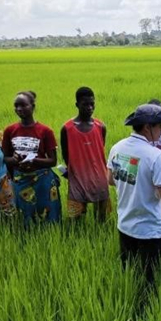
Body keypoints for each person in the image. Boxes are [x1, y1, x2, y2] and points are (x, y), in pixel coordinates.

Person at [108, 103, 161, 281]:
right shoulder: (154, 155)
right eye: (160, 126)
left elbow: (110, 180)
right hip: (150, 230)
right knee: (149, 279)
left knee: (129, 275)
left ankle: (129, 303)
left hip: (125, 225)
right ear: (147, 127)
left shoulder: (117, 148)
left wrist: (135, 183)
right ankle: (149, 308)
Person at [2, 91, 61, 226]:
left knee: (48, 213)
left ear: (33, 107)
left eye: (23, 105)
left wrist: (34, 161)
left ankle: (51, 237)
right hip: (21, 179)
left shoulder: (45, 131)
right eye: (16, 106)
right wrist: (15, 159)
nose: (19, 109)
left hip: (42, 180)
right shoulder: (9, 130)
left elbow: (53, 161)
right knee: (25, 214)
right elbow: (4, 158)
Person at [60, 86, 110, 222]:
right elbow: (66, 155)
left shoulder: (100, 126)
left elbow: (99, 150)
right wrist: (71, 170)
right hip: (77, 176)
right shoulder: (67, 128)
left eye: (92, 104)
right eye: (85, 104)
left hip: (99, 175)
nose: (89, 107)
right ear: (77, 105)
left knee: (102, 217)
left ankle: (100, 237)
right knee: (75, 218)